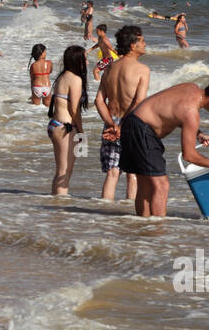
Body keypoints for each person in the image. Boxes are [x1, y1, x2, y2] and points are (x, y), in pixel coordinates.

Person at [121, 80, 209, 217]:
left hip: (132, 122)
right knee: (162, 185)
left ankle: (144, 228)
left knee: (145, 185)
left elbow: (173, 113)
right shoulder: (192, 113)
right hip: (142, 131)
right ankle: (158, 230)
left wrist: (198, 134)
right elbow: (189, 155)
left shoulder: (191, 87)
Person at [95, 25, 150, 202]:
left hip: (111, 121)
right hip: (131, 124)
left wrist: (111, 124)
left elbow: (99, 101)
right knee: (132, 173)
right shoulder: (142, 70)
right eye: (142, 41)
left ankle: (104, 212)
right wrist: (121, 125)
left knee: (112, 173)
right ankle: (127, 219)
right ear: (133, 45)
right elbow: (138, 102)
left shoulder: (109, 68)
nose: (145, 44)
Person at [47, 45, 88, 196]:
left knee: (60, 171)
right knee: (65, 172)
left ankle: (55, 202)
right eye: (85, 59)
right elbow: (74, 110)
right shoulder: (75, 79)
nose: (87, 62)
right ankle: (60, 209)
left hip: (55, 125)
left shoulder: (62, 76)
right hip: (66, 128)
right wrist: (82, 133)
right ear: (77, 60)